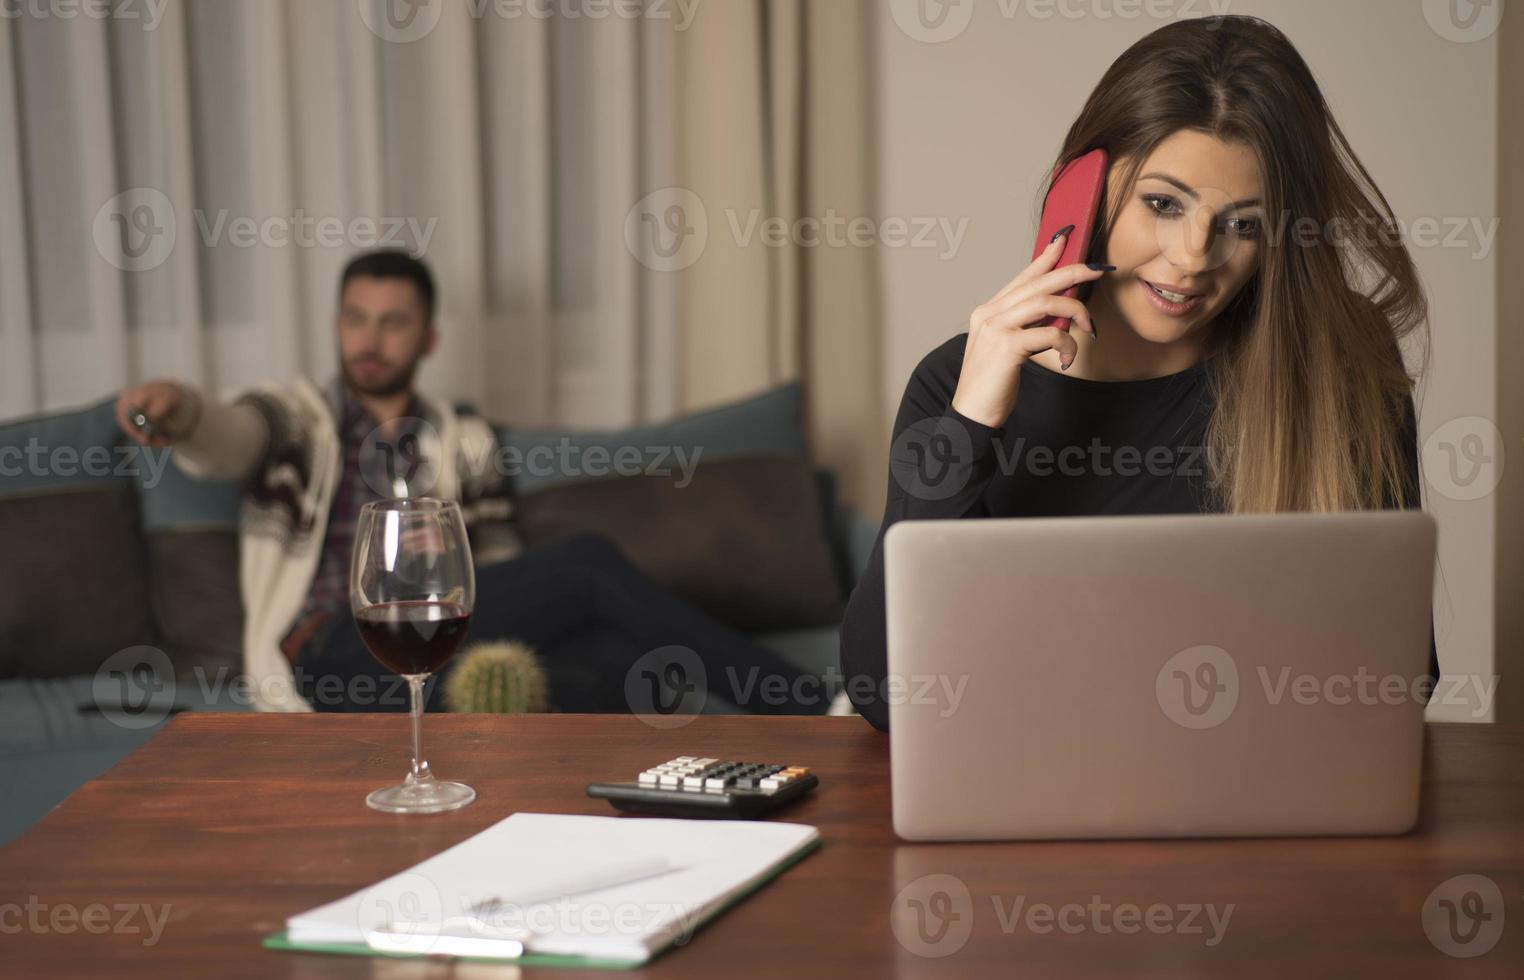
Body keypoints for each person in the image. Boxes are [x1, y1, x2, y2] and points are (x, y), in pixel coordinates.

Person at [840, 15, 1440, 732]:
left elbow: (1402, 677)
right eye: (1163, 204)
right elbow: (886, 694)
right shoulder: (953, 383)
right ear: (1083, 188)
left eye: (1243, 224)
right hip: (1029, 799)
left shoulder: (1339, 372)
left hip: (1260, 801)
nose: (1193, 256)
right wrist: (969, 425)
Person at [115, 250, 824, 716]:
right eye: (357, 320)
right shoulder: (294, 419)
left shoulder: (467, 440)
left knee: (619, 660)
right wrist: (180, 412)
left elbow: (503, 583)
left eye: (394, 323)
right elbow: (228, 439)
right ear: (337, 325)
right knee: (587, 564)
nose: (371, 339)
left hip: (440, 645)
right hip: (332, 651)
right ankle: (810, 707)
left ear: (427, 339)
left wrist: (440, 562)